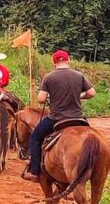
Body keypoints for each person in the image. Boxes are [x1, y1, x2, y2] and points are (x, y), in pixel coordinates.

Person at [22, 50, 95, 183]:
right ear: (68, 60)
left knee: (35, 137)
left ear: (54, 62)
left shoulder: (49, 77)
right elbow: (91, 93)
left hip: (56, 118)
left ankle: (34, 172)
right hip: (78, 118)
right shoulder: (79, 75)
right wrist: (80, 95)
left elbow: (41, 99)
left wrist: (50, 96)